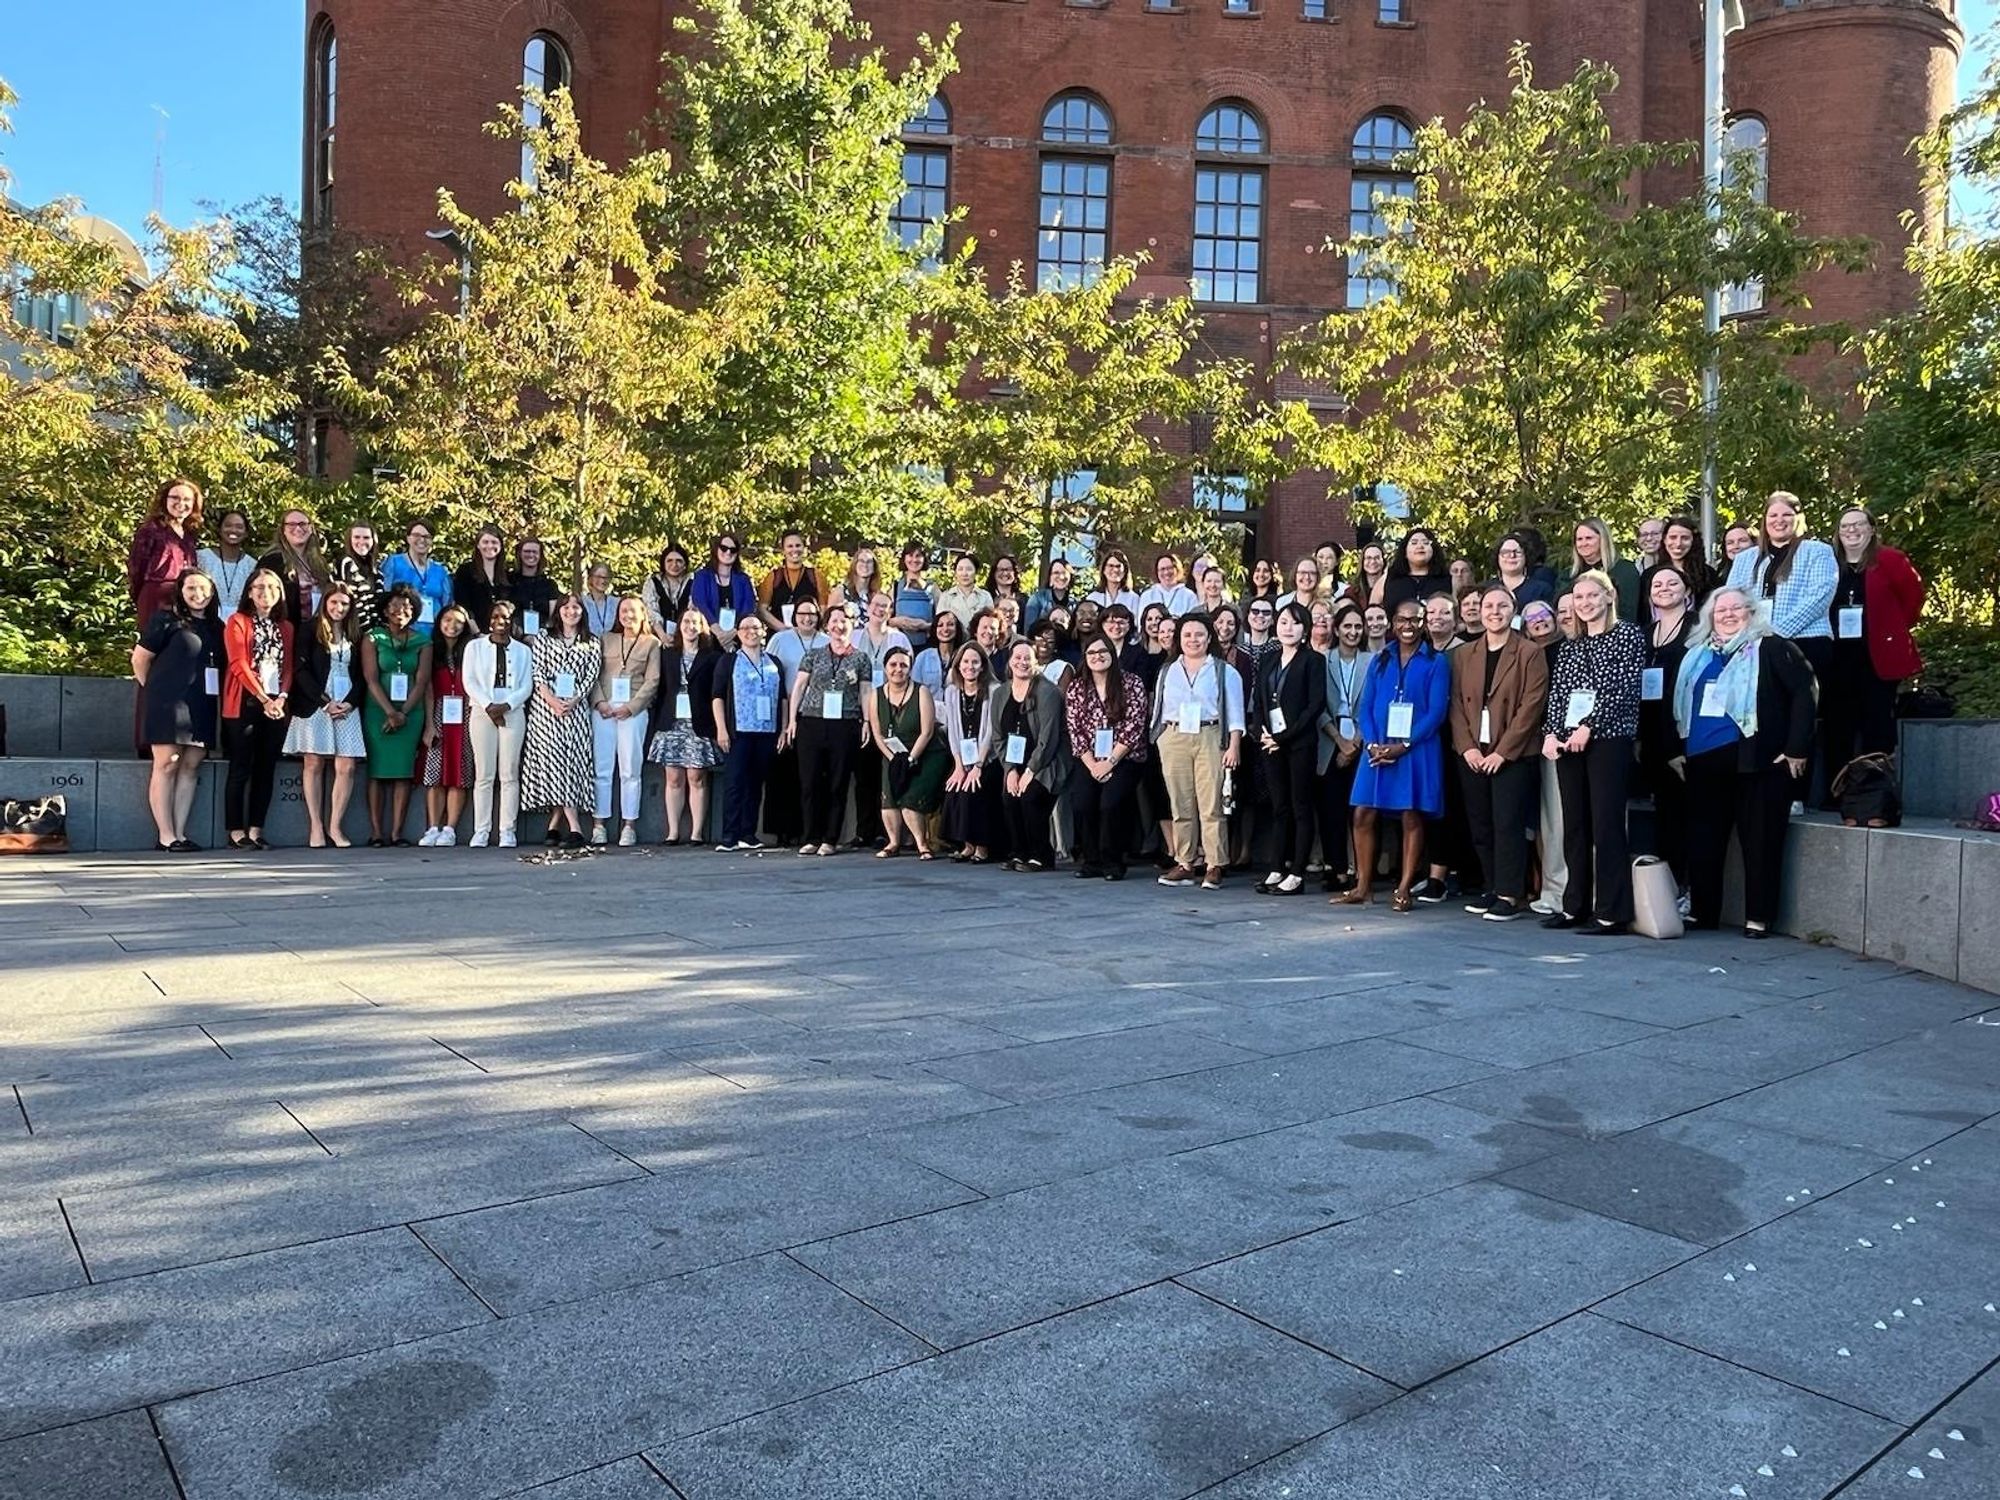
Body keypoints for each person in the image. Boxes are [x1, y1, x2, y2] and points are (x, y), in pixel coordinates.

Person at [1672, 587, 1817, 937]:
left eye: (1736, 608)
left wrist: (1796, 748)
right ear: (1709, 616)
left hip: (1757, 761)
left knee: (1761, 841)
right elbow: (1677, 703)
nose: (1728, 614)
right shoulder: (1696, 654)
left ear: (1751, 613)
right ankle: (1703, 913)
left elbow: (1804, 692)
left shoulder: (1772, 647)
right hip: (1703, 761)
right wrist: (1675, 748)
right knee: (1703, 842)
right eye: (1720, 610)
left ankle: (1758, 917)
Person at [1540, 569, 1645, 933]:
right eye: (1579, 598)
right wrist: (1551, 733)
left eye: (1591, 596)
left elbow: (1622, 688)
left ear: (1609, 596)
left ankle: (1612, 911)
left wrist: (1590, 726)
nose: (1585, 604)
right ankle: (1575, 907)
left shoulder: (1627, 635)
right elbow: (1559, 695)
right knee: (1575, 827)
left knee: (1607, 826)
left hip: (1608, 740)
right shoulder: (1571, 646)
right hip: (1569, 744)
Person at [1335, 599, 1451, 911]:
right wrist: (1372, 743)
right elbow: (1367, 707)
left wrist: (1405, 745)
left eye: (1414, 620)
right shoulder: (1380, 659)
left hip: (1415, 749)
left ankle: (1403, 888)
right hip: (1378, 748)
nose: (1408, 626)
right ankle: (1362, 885)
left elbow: (1436, 711)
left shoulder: (1435, 661)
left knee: (1410, 814)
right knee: (1362, 813)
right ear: (1393, 623)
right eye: (1402, 620)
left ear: (1422, 623)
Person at [1449, 584, 1550, 922]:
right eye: (1487, 605)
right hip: (1473, 753)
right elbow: (1456, 707)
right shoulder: (1464, 654)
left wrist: (1503, 753)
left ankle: (1510, 893)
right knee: (1481, 824)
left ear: (1513, 610)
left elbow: (1531, 707)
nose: (1494, 611)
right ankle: (1492, 887)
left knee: (1508, 824)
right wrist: (1466, 748)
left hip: (1514, 754)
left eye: (1501, 606)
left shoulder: (1529, 652)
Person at [1725, 491, 1837, 790]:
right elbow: (1732, 599)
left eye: (1786, 515)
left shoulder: (1818, 551)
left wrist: (1775, 634)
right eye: (1772, 515)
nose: (1779, 521)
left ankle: (1798, 791)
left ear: (1798, 518)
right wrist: (1747, 636)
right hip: (1754, 646)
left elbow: (1819, 597)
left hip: (1804, 642)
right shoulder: (1747, 557)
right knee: (1764, 713)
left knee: (1799, 716)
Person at [1823, 506, 1923, 787]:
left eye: (1858, 525)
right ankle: (1838, 791)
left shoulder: (1891, 560)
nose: (1851, 531)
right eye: (1845, 526)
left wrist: (1891, 627)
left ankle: (1875, 792)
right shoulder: (1829, 562)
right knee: (1837, 725)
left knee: (1877, 724)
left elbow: (1912, 600)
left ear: (1871, 529)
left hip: (1878, 655)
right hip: (1838, 657)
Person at [1151, 613, 1245, 891]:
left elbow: (1236, 710)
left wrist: (1234, 744)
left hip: (1210, 734)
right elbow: (1158, 706)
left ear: (1209, 637)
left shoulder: (1223, 670)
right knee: (1180, 802)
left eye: (1199, 634)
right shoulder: (1168, 669)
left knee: (1210, 802)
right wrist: (1161, 738)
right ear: (1179, 639)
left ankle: (1215, 863)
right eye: (1187, 635)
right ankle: (1185, 861)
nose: (1193, 640)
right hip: (1175, 736)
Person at [132, 568, 223, 852]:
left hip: (202, 703)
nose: (198, 595)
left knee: (191, 766)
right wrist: (153, 691)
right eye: (191, 589)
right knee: (167, 763)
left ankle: (180, 833)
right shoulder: (166, 620)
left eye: (204, 589)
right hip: (167, 701)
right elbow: (140, 659)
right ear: (181, 592)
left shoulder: (217, 626)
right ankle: (166, 834)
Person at [1251, 602, 1328, 895]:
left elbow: (1315, 706)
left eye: (1295, 623)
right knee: (1279, 807)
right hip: (1270, 744)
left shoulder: (1313, 661)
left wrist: (1283, 737)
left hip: (1299, 744)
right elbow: (1258, 700)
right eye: (1283, 622)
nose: (1288, 627)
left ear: (1305, 628)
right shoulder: (1270, 660)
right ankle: (1276, 867)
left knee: (1300, 807)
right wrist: (1262, 732)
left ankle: (1297, 872)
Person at [787, 600, 872, 856]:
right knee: (809, 782)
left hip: (845, 724)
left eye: (843, 620)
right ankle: (811, 836)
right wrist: (792, 720)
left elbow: (865, 691)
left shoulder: (861, 658)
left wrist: (867, 721)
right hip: (812, 721)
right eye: (834, 620)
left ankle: (830, 838)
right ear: (827, 625)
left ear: (852, 624)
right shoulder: (813, 654)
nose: (838, 625)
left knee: (838, 782)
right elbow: (799, 687)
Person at [285, 584, 367, 848]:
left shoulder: (356, 634)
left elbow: (363, 675)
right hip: (316, 702)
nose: (338, 608)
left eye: (344, 604)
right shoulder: (309, 629)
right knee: (313, 763)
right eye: (334, 603)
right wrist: (324, 702)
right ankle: (316, 827)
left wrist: (350, 703)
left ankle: (335, 826)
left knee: (347, 766)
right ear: (325, 603)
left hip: (347, 704)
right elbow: (300, 670)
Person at [220, 568, 295, 850]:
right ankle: (235, 830)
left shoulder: (285, 626)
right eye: (260, 587)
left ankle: (256, 829)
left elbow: (287, 668)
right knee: (240, 768)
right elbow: (238, 664)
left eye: (273, 588)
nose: (266, 593)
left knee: (266, 769)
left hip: (276, 704)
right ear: (250, 591)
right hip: (245, 702)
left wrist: (281, 698)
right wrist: (264, 698)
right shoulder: (237, 621)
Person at [1064, 631, 1148, 880]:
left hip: (1124, 757)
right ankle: (1092, 861)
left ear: (1112, 654)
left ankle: (1113, 861)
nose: (1097, 657)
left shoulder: (1131, 683)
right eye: (1091, 653)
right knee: (1082, 802)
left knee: (1111, 803)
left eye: (1102, 651)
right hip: (1089, 758)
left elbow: (1135, 725)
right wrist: (1092, 765)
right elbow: (1075, 729)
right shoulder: (1077, 687)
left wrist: (1110, 761)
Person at [522, 592, 601, 847]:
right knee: (554, 764)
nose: (571, 611)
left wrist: (575, 699)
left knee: (571, 764)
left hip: (575, 710)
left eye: (576, 607)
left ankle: (555, 826)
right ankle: (575, 828)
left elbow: (591, 676)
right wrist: (552, 701)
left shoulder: (592, 641)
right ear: (559, 611)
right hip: (546, 710)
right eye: (566, 607)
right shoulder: (544, 638)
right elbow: (538, 673)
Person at [988, 639, 1070, 871]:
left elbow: (1048, 739)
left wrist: (1030, 771)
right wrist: (1011, 769)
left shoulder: (1048, 692)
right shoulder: (1001, 693)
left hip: (1048, 761)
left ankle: (1041, 855)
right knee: (1008, 796)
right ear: (1010, 662)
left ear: (1036, 663)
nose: (1022, 663)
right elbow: (998, 737)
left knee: (1030, 796)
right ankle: (1018, 853)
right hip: (1016, 761)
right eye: (1018, 658)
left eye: (1028, 658)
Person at [360, 585, 432, 846]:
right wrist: (390, 712)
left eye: (406, 607)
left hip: (411, 712)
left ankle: (397, 832)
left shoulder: (423, 640)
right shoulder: (373, 637)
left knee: (403, 772)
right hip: (377, 710)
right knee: (377, 772)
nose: (400, 611)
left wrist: (403, 714)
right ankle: (377, 832)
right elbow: (370, 678)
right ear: (385, 610)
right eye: (394, 607)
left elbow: (422, 680)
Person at [1638, 567, 1695, 892]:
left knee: (1685, 815)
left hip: (1682, 735)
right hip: (1651, 734)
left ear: (1687, 590)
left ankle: (1687, 888)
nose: (1665, 588)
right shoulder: (1646, 633)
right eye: (1657, 584)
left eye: (1673, 582)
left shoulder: (1697, 628)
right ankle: (1668, 889)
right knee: (1664, 814)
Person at [648, 607, 724, 845]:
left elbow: (716, 692)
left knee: (696, 777)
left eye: (696, 623)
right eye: (686, 622)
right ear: (679, 626)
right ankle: (672, 832)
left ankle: (697, 832)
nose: (690, 627)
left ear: (702, 627)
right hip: (671, 722)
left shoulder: (712, 656)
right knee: (673, 778)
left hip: (699, 722)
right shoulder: (668, 654)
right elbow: (660, 691)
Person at [590, 595, 661, 846]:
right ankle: (599, 823)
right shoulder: (605, 639)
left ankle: (629, 824)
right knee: (602, 768)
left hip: (633, 711)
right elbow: (593, 673)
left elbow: (652, 680)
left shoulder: (651, 643)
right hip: (604, 710)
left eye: (633, 611)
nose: (627, 615)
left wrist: (632, 707)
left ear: (643, 614)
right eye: (623, 611)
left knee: (631, 769)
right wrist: (599, 702)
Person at [463, 602, 535, 848]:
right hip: (482, 711)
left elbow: (527, 685)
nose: (500, 621)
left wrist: (506, 705)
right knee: (484, 774)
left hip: (512, 711)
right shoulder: (474, 648)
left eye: (505, 617)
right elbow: (469, 681)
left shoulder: (524, 651)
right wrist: (488, 705)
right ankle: (481, 830)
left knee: (509, 773)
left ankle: (507, 830)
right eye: (496, 616)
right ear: (489, 619)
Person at [713, 615, 787, 852]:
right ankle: (729, 836)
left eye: (755, 628)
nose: (750, 632)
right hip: (738, 732)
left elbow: (783, 698)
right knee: (735, 782)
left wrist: (784, 728)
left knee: (756, 784)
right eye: (745, 628)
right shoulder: (728, 661)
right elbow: (717, 697)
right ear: (738, 632)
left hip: (766, 732)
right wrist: (721, 729)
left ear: (763, 631)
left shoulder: (774, 661)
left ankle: (748, 833)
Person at [864, 643, 945, 859]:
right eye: (893, 665)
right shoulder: (876, 695)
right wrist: (894, 759)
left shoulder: (922, 692)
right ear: (885, 667)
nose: (898, 669)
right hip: (892, 754)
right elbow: (877, 733)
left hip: (925, 753)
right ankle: (893, 843)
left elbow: (927, 732)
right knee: (888, 798)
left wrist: (910, 759)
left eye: (903, 665)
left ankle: (922, 844)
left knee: (910, 802)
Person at [1316, 601, 1368, 890]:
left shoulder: (1372, 661)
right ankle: (1336, 868)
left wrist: (1354, 744)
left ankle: (1361, 869)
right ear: (1336, 629)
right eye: (1347, 626)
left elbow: (1372, 705)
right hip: (1329, 741)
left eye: (1357, 626)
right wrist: (1339, 741)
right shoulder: (1323, 660)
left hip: (1361, 743)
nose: (1352, 631)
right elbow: (1318, 706)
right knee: (1331, 810)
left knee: (1359, 810)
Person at [417, 603, 477, 848]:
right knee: (434, 774)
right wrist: (429, 724)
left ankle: (450, 828)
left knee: (459, 773)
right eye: (448, 620)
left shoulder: (472, 650)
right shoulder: (431, 650)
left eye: (458, 622)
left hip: (465, 714)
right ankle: (433, 827)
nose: (452, 626)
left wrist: (473, 626)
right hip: (440, 713)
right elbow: (428, 690)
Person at [941, 641, 999, 863]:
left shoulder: (993, 690)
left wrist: (977, 766)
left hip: (988, 758)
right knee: (955, 785)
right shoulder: (952, 691)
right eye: (965, 661)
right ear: (958, 665)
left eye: (975, 662)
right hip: (963, 757)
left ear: (983, 666)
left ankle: (982, 846)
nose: (970, 666)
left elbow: (991, 732)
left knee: (977, 787)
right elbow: (953, 731)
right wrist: (959, 766)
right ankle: (967, 843)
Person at [128, 479, 202, 634]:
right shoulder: (151, 530)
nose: (181, 503)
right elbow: (136, 569)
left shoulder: (188, 534)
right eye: (175, 498)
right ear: (165, 500)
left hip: (183, 598)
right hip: (156, 598)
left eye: (187, 499)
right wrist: (141, 597)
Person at [261, 508, 332, 634]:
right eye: (291, 525)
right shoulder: (272, 561)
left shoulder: (319, 563)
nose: (298, 529)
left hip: (316, 634)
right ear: (283, 530)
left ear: (311, 529)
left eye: (303, 524)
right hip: (284, 632)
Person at [1558, 518, 1641, 623]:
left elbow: (1629, 614)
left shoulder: (1624, 570)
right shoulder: (1567, 575)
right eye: (1579, 539)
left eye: (1589, 538)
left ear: (1603, 540)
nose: (1584, 543)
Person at [380, 522, 453, 636]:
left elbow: (447, 604)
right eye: (416, 535)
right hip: (401, 632)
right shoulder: (393, 563)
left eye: (426, 537)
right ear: (408, 538)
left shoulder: (440, 571)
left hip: (434, 634)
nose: (422, 540)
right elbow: (384, 597)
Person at [1639, 514, 1716, 615]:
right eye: (1673, 537)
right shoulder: (1649, 575)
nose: (1678, 543)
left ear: (1693, 541)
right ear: (1665, 540)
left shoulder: (1708, 575)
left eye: (1685, 538)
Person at [692, 532, 756, 647]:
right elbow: (700, 603)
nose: (728, 552)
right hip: (707, 638)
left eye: (733, 549)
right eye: (724, 548)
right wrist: (719, 633)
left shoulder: (743, 579)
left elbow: (748, 608)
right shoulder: (702, 576)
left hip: (738, 637)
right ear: (716, 549)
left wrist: (733, 632)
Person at [196, 507, 255, 624]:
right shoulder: (201, 557)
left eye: (239, 527)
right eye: (228, 525)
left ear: (246, 533)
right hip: (206, 621)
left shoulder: (252, 565)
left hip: (241, 625)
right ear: (219, 529)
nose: (233, 530)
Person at [760, 529, 825, 630]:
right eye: (790, 546)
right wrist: (783, 629)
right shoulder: (773, 576)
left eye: (798, 545)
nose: (794, 549)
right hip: (779, 635)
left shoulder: (815, 575)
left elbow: (823, 609)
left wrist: (807, 627)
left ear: (804, 548)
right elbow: (762, 610)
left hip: (808, 634)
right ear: (783, 550)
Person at [454, 526, 511, 637]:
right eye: (485, 542)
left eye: (494, 542)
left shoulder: (508, 576)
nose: (490, 546)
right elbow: (462, 605)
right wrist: (478, 633)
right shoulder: (465, 571)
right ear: (478, 545)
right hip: (473, 634)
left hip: (501, 636)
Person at [1381, 527, 1451, 617]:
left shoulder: (1448, 579)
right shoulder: (1389, 578)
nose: (1420, 546)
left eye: (1426, 543)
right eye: (1414, 543)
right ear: (1405, 552)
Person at [333, 522, 386, 632]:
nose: (361, 542)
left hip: (376, 628)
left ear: (373, 540)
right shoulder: (346, 563)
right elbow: (349, 599)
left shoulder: (375, 568)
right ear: (349, 540)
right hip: (354, 629)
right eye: (357, 537)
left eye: (366, 538)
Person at [888, 541, 938, 645]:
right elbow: (884, 618)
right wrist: (897, 622)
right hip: (899, 644)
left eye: (918, 556)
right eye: (910, 555)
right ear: (904, 559)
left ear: (924, 559)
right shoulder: (896, 587)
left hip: (926, 644)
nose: (914, 560)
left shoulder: (933, 588)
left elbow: (942, 620)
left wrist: (925, 626)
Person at [509, 538, 559, 639]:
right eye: (527, 551)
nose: (531, 555)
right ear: (519, 554)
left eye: (535, 552)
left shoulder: (550, 585)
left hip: (542, 639)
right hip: (512, 638)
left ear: (540, 556)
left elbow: (552, 618)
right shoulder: (509, 581)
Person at [642, 542, 694, 638]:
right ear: (663, 563)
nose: (674, 564)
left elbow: (694, 611)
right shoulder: (652, 583)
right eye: (669, 561)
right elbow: (651, 612)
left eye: (679, 561)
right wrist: (662, 635)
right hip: (659, 637)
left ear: (685, 564)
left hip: (689, 636)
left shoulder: (694, 582)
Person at [1495, 532, 1553, 612]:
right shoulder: (1486, 588)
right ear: (1497, 557)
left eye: (1517, 552)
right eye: (1506, 552)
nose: (1512, 556)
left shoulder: (1542, 589)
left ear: (1526, 556)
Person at [911, 607, 963, 695]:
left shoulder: (964, 655)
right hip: (928, 706)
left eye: (950, 624)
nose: (945, 629)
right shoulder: (923, 657)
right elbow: (914, 689)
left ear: (957, 628)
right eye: (940, 625)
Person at [937, 551, 993, 629]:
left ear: (976, 572)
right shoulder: (946, 597)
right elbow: (940, 625)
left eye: (969, 569)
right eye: (960, 569)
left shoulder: (985, 596)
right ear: (955, 572)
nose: (964, 573)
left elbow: (990, 622)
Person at [1139, 552, 1199, 619]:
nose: (1166, 572)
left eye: (1170, 568)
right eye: (1162, 569)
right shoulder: (1147, 596)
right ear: (1157, 572)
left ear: (1177, 569)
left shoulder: (1189, 596)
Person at [1025, 558, 1080, 631]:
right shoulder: (1036, 599)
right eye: (1056, 573)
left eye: (1064, 572)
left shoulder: (1075, 604)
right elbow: (1029, 630)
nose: (1061, 576)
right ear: (1050, 577)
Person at [830, 542, 880, 615]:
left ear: (874, 567)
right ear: (855, 565)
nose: (865, 565)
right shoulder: (840, 592)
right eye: (861, 561)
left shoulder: (877, 596)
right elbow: (829, 620)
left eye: (869, 562)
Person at [1089, 550, 1143, 616]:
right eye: (1111, 566)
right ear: (1103, 570)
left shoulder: (1133, 598)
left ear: (1125, 571)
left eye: (1118, 566)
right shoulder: (1093, 598)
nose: (1115, 570)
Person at [581, 561, 619, 638]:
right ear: (590, 578)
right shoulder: (582, 602)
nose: (602, 580)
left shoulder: (617, 603)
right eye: (598, 576)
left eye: (606, 577)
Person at [1352, 541, 1389, 609]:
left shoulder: (1391, 588)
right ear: (1362, 562)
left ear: (1383, 561)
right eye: (1368, 558)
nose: (1372, 562)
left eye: (1377, 558)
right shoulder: (1352, 592)